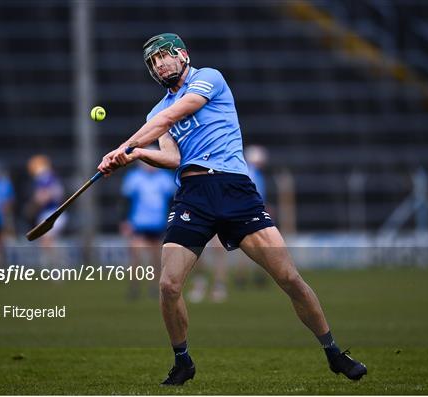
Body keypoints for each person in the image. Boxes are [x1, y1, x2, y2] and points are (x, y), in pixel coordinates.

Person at [98, 33, 367, 386]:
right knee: (168, 285)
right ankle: (183, 361)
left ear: (182, 55)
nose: (159, 64)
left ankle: (333, 352)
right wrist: (135, 156)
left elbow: (173, 116)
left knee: (289, 278)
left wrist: (125, 145)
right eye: (152, 62)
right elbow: (173, 156)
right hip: (193, 194)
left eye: (164, 56)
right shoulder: (155, 110)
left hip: (233, 188)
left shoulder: (209, 77)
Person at [120, 159, 176, 299]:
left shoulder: (165, 178)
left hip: (158, 223)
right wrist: (124, 221)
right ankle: (134, 287)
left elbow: (172, 203)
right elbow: (125, 201)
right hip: (138, 223)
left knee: (156, 258)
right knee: (136, 256)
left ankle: (154, 287)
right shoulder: (134, 177)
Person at [25, 155, 66, 263]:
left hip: (52, 213)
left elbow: (44, 197)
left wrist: (33, 205)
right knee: (46, 242)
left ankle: (58, 266)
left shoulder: (45, 177)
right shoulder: (49, 177)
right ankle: (54, 267)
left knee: (47, 241)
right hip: (47, 214)